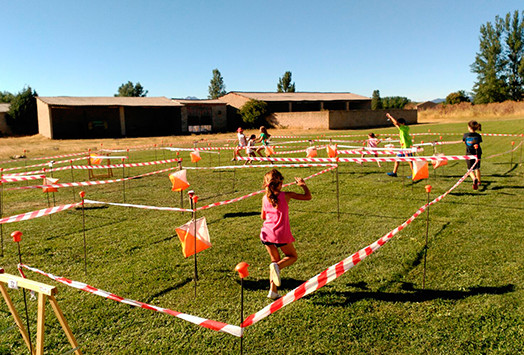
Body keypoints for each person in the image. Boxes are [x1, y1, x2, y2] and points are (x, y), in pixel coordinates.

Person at [260, 169, 312, 300]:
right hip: (280, 234)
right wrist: (303, 185)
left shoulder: (264, 198)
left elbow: (263, 216)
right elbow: (308, 197)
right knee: (292, 256)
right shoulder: (286, 195)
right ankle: (277, 267)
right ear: (281, 182)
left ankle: (273, 290)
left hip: (266, 234)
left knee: (274, 262)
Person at [385, 113, 413, 177]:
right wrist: (390, 119)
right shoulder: (402, 128)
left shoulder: (405, 128)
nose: (397, 125)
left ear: (403, 123)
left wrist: (390, 116)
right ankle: (394, 172)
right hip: (403, 147)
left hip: (407, 147)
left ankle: (414, 173)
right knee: (397, 159)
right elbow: (396, 124)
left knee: (409, 160)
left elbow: (396, 123)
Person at [463, 120, 482, 190]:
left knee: (470, 169)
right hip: (477, 153)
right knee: (477, 168)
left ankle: (474, 179)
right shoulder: (478, 135)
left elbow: (464, 142)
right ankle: (479, 181)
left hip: (469, 153)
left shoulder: (465, 135)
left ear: (469, 127)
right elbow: (479, 142)